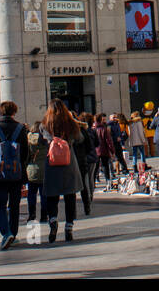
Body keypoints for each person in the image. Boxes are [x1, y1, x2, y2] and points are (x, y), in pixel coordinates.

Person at [40, 100, 85, 242]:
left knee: (52, 196)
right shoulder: (71, 124)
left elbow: (42, 141)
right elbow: (80, 139)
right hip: (68, 162)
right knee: (70, 196)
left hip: (52, 162)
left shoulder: (45, 124)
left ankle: (53, 221)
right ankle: (69, 227)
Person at [0, 101, 27, 250]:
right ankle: (13, 234)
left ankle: (6, 232)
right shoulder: (21, 129)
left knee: (0, 205)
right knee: (14, 205)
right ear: (14, 112)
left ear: (0, 111)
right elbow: (25, 153)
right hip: (16, 173)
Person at [25, 119, 47, 223]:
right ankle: (44, 215)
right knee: (44, 195)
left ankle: (32, 214)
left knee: (31, 194)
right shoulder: (45, 139)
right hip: (44, 169)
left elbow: (26, 156)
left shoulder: (28, 139)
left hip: (31, 169)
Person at [93, 114, 115, 184]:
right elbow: (109, 141)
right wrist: (112, 151)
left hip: (95, 151)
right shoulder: (104, 129)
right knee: (105, 165)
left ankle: (94, 180)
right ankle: (108, 180)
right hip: (104, 150)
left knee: (95, 167)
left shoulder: (93, 129)